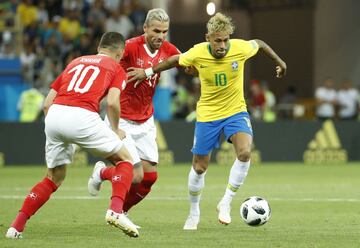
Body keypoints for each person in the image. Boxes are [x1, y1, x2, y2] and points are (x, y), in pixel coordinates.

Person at [127, 12, 286, 230]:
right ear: (208, 38)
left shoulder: (239, 48)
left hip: (235, 111)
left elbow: (259, 43)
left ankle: (226, 202)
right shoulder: (198, 52)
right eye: (217, 40)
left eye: (225, 40)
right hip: (208, 115)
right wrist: (147, 72)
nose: (222, 45)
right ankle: (194, 212)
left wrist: (279, 62)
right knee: (200, 167)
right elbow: (174, 60)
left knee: (245, 152)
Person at [5, 32, 139, 239]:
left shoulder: (75, 62)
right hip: (83, 115)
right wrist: (115, 130)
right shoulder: (116, 67)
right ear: (120, 52)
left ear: (99, 48)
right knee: (125, 159)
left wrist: (60, 127)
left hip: (55, 115)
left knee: (53, 177)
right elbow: (112, 102)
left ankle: (15, 228)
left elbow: (47, 102)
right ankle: (115, 210)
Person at [89, 8, 183, 213]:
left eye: (164, 31)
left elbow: (184, 62)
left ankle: (121, 212)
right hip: (120, 119)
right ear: (145, 28)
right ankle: (103, 174)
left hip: (146, 120)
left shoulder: (168, 49)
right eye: (156, 31)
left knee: (149, 178)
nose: (160, 36)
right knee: (136, 175)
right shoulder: (130, 47)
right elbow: (105, 63)